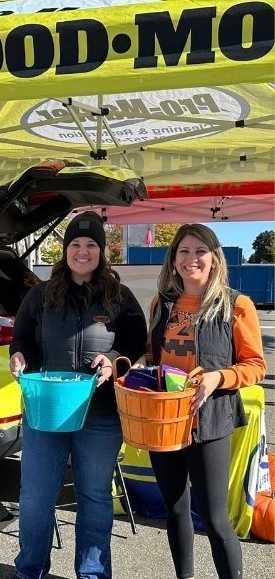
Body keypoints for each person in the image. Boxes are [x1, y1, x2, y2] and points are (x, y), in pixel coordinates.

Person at [9, 211, 148, 579]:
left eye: (90, 245)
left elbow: (137, 344)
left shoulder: (120, 297)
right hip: (47, 411)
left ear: (101, 251)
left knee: (95, 498)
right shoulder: (40, 294)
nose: (82, 251)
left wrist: (116, 359)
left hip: (101, 416)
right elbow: (21, 337)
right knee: (36, 498)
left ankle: (92, 574)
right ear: (65, 250)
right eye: (75, 244)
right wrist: (18, 355)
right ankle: (30, 570)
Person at [134, 224, 265, 579]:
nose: (192, 259)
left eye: (200, 251)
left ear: (214, 258)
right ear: (173, 260)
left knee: (215, 517)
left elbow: (255, 366)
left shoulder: (237, 305)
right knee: (175, 509)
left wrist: (217, 377)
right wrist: (142, 364)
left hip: (209, 422)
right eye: (184, 252)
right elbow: (152, 351)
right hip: (165, 421)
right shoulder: (161, 303)